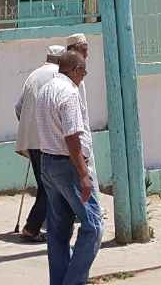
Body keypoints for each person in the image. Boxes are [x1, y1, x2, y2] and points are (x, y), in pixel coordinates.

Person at [37, 49, 103, 285]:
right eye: (83, 71)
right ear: (74, 70)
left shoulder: (45, 90)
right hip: (68, 166)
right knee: (94, 225)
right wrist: (84, 175)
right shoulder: (69, 92)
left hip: (48, 162)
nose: (84, 76)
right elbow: (72, 137)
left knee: (58, 231)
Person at [15, 44, 65, 241]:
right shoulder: (58, 76)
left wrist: (29, 127)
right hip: (49, 139)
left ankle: (41, 225)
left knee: (46, 184)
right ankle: (32, 227)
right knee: (50, 186)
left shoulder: (33, 75)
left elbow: (18, 108)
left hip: (31, 139)